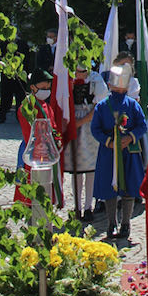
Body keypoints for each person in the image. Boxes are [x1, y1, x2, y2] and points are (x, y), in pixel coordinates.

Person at [90, 55, 148, 241]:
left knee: (129, 187)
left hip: (128, 152)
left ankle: (126, 223)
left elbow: (142, 125)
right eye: (116, 84)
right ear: (110, 85)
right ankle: (110, 222)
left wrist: (130, 137)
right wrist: (108, 141)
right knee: (110, 186)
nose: (119, 88)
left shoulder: (132, 105)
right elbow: (95, 128)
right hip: (109, 151)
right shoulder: (101, 106)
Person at [15, 67, 64, 207]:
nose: (46, 89)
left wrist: (57, 141)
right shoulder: (27, 106)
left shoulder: (47, 106)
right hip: (33, 152)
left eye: (48, 86)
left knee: (46, 187)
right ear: (33, 87)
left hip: (47, 152)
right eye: (43, 86)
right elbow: (28, 132)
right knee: (30, 189)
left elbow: (53, 127)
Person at [64, 64, 108, 219]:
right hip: (72, 121)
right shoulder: (67, 79)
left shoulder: (96, 80)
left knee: (90, 168)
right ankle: (77, 206)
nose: (79, 75)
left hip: (90, 124)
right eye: (77, 72)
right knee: (76, 170)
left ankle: (89, 205)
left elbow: (99, 106)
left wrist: (81, 121)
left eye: (82, 72)